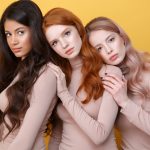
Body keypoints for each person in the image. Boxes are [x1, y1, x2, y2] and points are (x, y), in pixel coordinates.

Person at [43, 8, 123, 150]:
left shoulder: (109, 72)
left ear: (78, 29)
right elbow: (57, 134)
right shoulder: (60, 77)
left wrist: (64, 95)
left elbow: (100, 135)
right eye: (54, 42)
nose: (64, 45)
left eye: (66, 33)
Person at [85, 16, 150, 150]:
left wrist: (125, 102)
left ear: (122, 38)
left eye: (111, 40)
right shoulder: (104, 82)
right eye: (99, 48)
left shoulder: (147, 69)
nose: (109, 50)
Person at [0, 1, 58, 150]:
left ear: (35, 30)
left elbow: (25, 141)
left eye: (20, 32)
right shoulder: (19, 69)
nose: (13, 41)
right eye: (8, 34)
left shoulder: (47, 73)